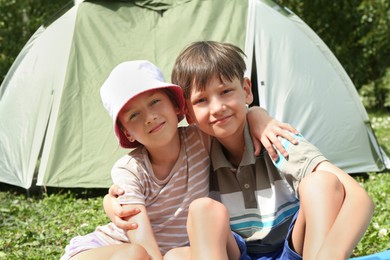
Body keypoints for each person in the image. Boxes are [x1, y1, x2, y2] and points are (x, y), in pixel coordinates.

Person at [107, 41, 375, 260]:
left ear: (246, 90)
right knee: (199, 214)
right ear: (187, 112)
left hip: (295, 248)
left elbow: (358, 198)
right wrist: (112, 202)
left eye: (225, 92)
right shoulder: (198, 146)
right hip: (237, 253)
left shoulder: (277, 139)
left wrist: (259, 117)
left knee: (322, 183)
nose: (217, 108)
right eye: (201, 100)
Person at [61, 60, 298, 260]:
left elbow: (234, 119)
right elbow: (144, 247)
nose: (150, 117)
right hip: (108, 250)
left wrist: (259, 116)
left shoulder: (201, 139)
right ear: (127, 132)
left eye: (155, 102)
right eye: (134, 115)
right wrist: (108, 201)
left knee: (179, 255)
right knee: (136, 256)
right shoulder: (129, 170)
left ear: (176, 106)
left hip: (170, 253)